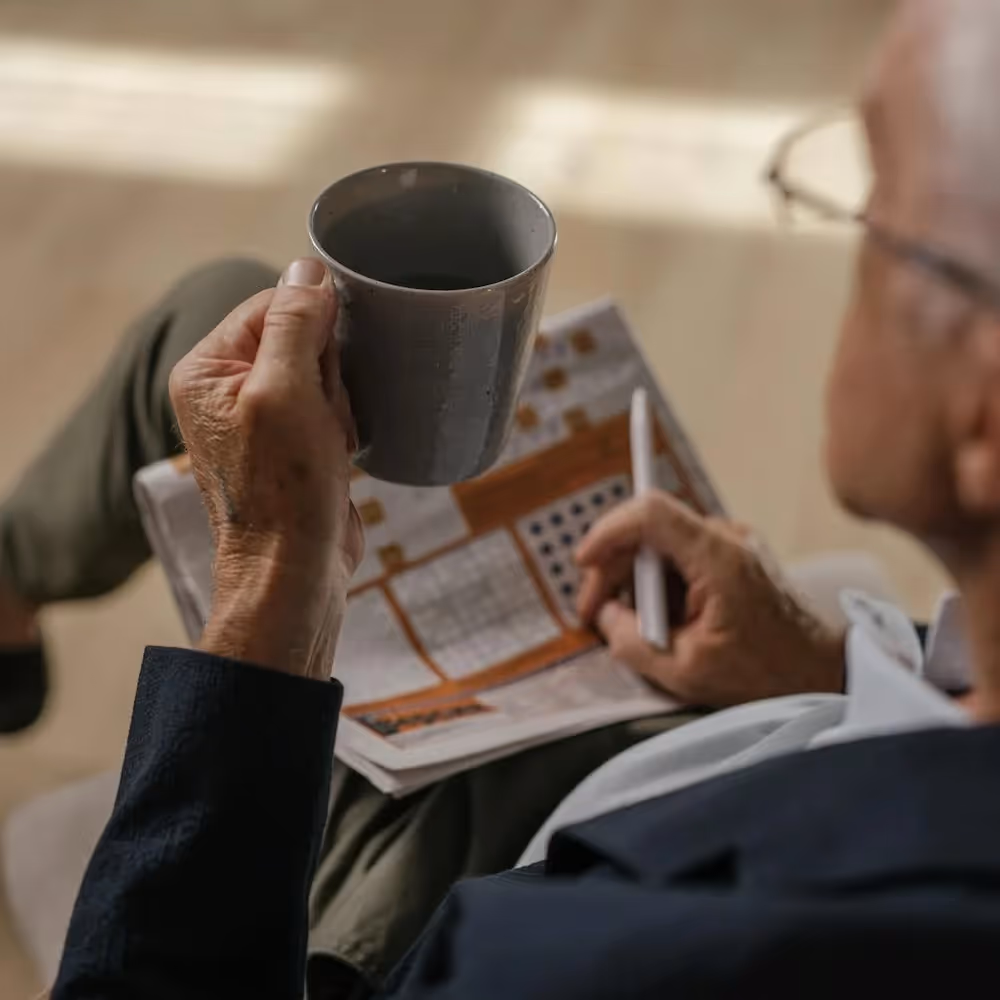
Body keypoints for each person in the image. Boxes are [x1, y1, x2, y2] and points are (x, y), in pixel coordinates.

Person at [29, 0, 1000, 993]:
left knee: (221, 367)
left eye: (878, 215)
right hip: (722, 730)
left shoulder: (591, 955)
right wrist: (826, 664)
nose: (848, 246)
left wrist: (274, 577)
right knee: (226, 305)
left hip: (467, 869)